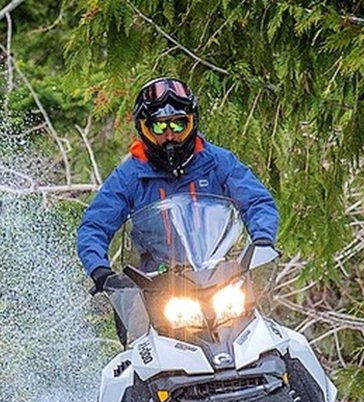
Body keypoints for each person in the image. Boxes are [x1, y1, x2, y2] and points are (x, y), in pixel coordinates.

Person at [77, 76, 279, 340]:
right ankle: (133, 380)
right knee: (140, 348)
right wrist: (101, 271)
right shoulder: (130, 175)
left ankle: (297, 379)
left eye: (179, 124)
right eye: (159, 128)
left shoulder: (218, 162)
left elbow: (257, 201)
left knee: (269, 337)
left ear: (192, 122)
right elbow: (94, 226)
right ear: (144, 129)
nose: (170, 135)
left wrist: (262, 240)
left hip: (219, 275)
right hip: (157, 284)